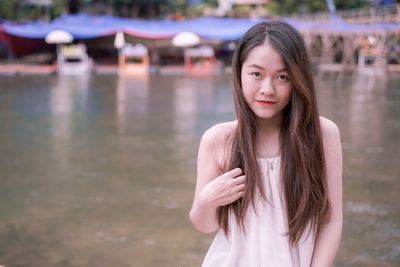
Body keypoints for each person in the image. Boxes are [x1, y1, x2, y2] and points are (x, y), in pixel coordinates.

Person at [189, 21, 343, 267]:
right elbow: (205, 225)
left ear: (298, 79)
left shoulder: (322, 135)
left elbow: (331, 220)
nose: (268, 89)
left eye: (282, 77)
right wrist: (207, 200)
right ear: (239, 72)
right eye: (256, 74)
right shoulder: (218, 140)